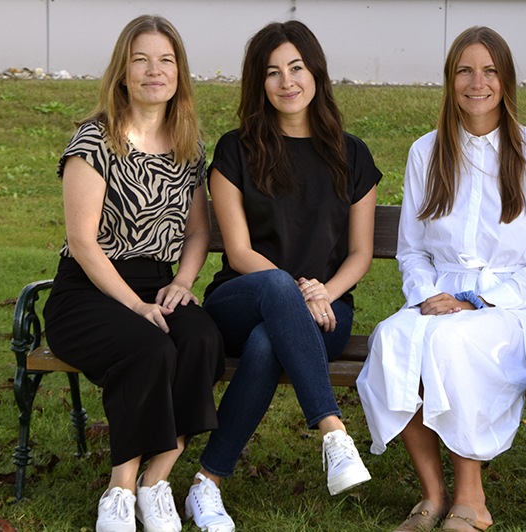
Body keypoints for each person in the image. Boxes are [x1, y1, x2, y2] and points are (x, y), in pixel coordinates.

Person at [356, 26, 526, 532]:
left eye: (490, 70)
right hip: (438, 298)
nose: (478, 82)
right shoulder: (426, 153)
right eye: (465, 70)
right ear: (450, 81)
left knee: (451, 345)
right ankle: (433, 492)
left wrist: (474, 300)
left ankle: (472, 499)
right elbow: (412, 250)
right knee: (390, 340)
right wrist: (434, 298)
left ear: (506, 80)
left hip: (514, 305)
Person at [183, 20, 381, 532]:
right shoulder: (236, 150)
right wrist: (298, 290)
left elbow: (359, 253)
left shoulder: (352, 154)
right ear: (259, 83)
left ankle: (206, 483)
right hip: (243, 295)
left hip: (327, 305)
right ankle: (333, 431)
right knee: (273, 293)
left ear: (315, 72)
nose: (287, 81)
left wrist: (326, 291)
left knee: (269, 342)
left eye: (296, 67)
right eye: (272, 72)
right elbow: (242, 251)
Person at [42, 15, 224, 532]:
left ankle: (156, 482)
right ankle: (120, 489)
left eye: (165, 60)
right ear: (123, 71)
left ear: (179, 73)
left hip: (158, 283)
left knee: (202, 340)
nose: (154, 70)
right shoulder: (94, 139)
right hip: (88, 289)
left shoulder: (188, 144)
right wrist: (136, 305)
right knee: (149, 348)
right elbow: (81, 241)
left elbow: (197, 233)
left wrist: (183, 283)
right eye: (141, 59)